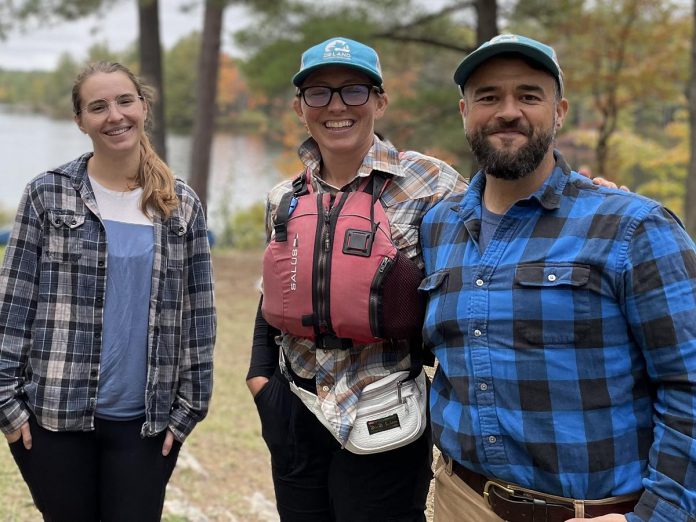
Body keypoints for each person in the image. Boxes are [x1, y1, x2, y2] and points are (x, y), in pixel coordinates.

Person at [419, 34, 696, 521]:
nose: (508, 111)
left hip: (594, 512)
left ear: (560, 111)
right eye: (488, 97)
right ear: (465, 112)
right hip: (460, 500)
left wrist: (661, 515)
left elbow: (689, 382)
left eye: (528, 95)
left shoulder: (632, 227)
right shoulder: (438, 226)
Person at [246, 36, 467, 521]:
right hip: (296, 403)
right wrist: (261, 380)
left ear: (380, 101)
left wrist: (591, 194)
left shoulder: (432, 183)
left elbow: (502, 236)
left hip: (388, 411)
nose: (336, 106)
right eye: (319, 93)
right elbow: (272, 298)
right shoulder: (284, 196)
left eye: (354, 91)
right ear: (301, 108)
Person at [0, 61, 216, 521]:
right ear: (80, 121)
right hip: (54, 416)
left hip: (145, 423)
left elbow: (200, 313)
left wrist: (189, 408)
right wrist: (7, 405)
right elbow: (13, 303)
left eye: (124, 101)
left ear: (143, 107)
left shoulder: (181, 204)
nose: (114, 116)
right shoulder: (47, 194)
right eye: (97, 107)